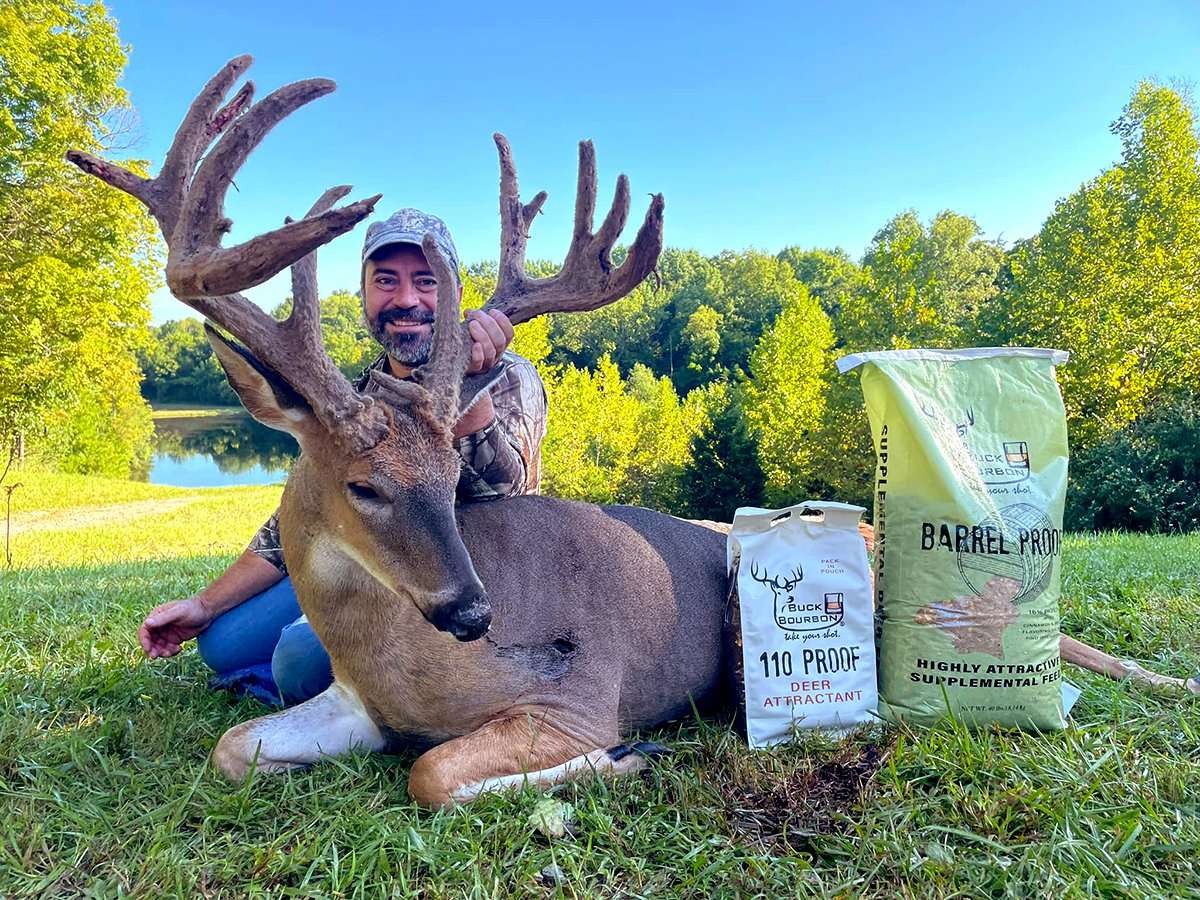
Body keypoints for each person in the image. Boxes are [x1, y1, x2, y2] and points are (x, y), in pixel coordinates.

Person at [137, 209, 548, 705]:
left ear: (455, 295)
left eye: (426, 281)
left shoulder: (507, 375)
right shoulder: (356, 399)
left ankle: (338, 691)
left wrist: (468, 393)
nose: (406, 299)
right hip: (370, 559)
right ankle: (312, 664)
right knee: (222, 646)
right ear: (365, 297)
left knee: (296, 662)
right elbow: (305, 519)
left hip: (463, 578)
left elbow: (519, 505)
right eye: (385, 281)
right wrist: (204, 604)